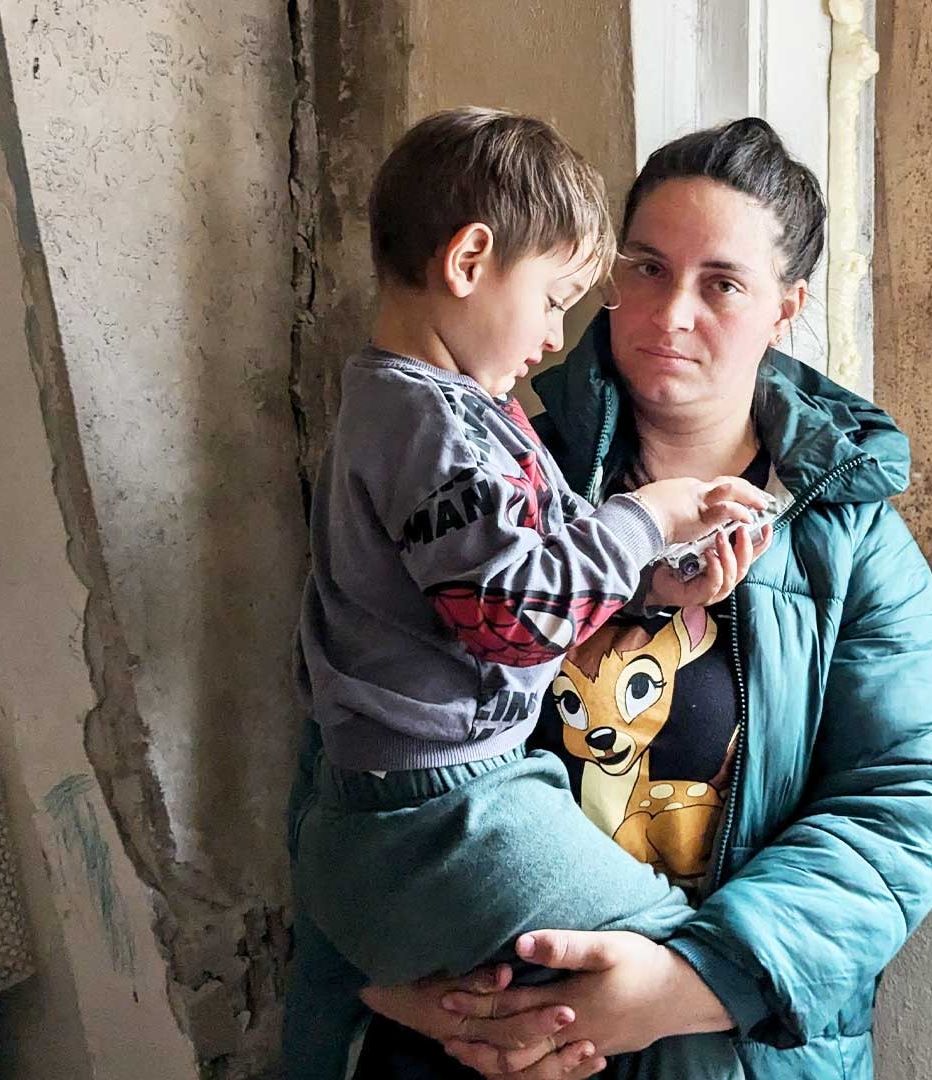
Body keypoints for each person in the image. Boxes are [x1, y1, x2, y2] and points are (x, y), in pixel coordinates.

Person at [348, 118, 932, 1080]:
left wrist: (687, 981)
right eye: (646, 268)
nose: (670, 310)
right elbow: (355, 727)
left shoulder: (848, 543)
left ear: (786, 308)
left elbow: (906, 797)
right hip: (471, 1040)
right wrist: (407, 993)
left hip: (714, 1050)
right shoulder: (492, 467)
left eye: (721, 283)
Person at [283, 107, 775, 1080]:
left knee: (600, 1007)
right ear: (470, 261)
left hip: (444, 796)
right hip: (438, 810)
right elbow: (514, 621)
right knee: (686, 976)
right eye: (554, 299)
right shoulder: (429, 426)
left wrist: (655, 576)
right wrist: (649, 516)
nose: (556, 337)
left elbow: (516, 578)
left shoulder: (450, 412)